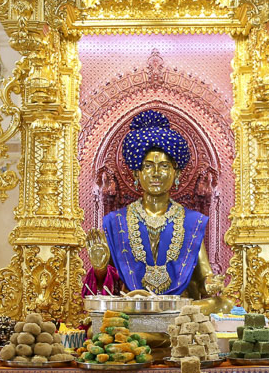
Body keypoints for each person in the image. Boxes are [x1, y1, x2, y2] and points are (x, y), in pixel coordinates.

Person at [85, 110, 230, 313]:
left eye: (163, 166)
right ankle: (162, 328)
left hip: (177, 307)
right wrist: (100, 268)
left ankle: (155, 328)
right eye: (148, 166)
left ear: (176, 172)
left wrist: (212, 283)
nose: (155, 173)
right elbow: (105, 290)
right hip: (133, 306)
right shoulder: (116, 221)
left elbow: (204, 276)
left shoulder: (191, 221)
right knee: (109, 313)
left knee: (223, 304)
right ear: (137, 172)